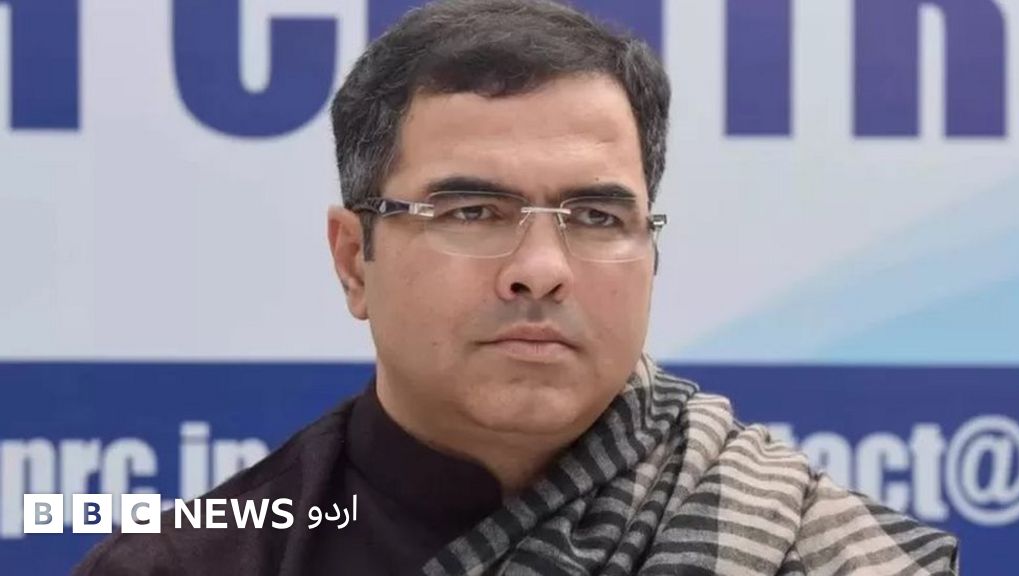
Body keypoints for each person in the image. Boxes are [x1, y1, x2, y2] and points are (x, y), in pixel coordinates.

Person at [76, 0, 959, 574]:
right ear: (353, 259)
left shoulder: (814, 547)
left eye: (597, 216)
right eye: (472, 211)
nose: (541, 268)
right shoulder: (197, 563)